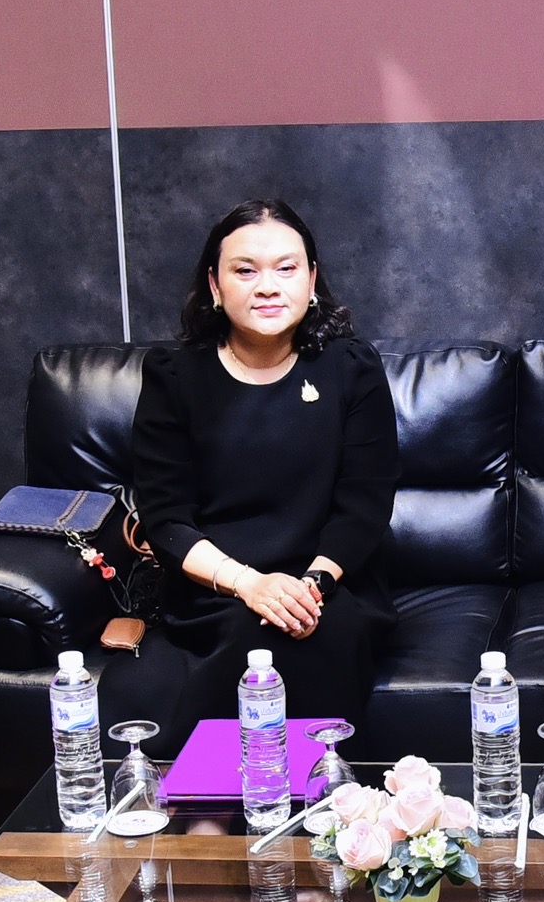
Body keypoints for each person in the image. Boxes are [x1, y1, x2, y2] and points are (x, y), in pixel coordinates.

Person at [106, 199, 398, 752]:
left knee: (313, 631)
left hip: (328, 586)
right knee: (250, 632)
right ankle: (211, 797)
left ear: (311, 280)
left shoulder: (351, 369)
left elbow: (365, 503)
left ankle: (315, 794)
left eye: (286, 268)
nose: (267, 287)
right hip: (215, 587)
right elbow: (165, 519)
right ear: (214, 286)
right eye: (245, 270)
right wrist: (251, 585)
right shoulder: (174, 378)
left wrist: (309, 588)